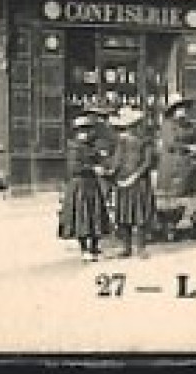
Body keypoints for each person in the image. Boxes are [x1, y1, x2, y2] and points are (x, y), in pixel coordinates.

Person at [59, 116, 111, 262]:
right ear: (76, 133)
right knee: (81, 218)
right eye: (81, 131)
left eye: (87, 131)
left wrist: (101, 158)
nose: (85, 134)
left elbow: (98, 160)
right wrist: (94, 168)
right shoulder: (73, 148)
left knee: (96, 215)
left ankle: (95, 247)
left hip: (92, 185)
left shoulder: (92, 147)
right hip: (79, 185)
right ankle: (84, 249)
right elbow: (74, 168)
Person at [109, 108, 157, 258]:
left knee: (140, 215)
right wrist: (113, 174)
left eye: (131, 126)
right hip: (123, 181)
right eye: (125, 127)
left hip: (139, 181)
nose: (128, 130)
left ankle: (141, 248)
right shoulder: (121, 141)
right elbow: (117, 160)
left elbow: (147, 162)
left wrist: (135, 176)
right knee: (124, 215)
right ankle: (126, 247)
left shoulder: (145, 141)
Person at [156, 97, 196, 199]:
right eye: (179, 108)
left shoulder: (188, 124)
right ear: (173, 110)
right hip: (173, 163)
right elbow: (170, 144)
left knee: (188, 194)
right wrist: (188, 148)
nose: (183, 110)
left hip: (187, 163)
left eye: (184, 107)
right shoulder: (168, 124)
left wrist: (194, 149)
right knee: (175, 195)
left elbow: (194, 138)